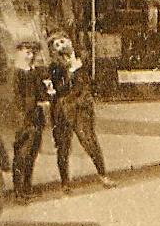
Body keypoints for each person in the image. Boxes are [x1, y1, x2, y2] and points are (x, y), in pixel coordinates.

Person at [47, 34, 114, 192]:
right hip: (64, 110)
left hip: (82, 110)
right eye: (56, 45)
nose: (61, 47)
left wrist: (79, 70)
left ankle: (103, 175)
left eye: (62, 42)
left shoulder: (84, 60)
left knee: (90, 141)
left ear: (69, 41)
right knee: (63, 146)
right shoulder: (55, 67)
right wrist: (71, 71)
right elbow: (59, 90)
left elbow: (92, 83)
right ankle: (65, 183)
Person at [9, 39, 52, 201]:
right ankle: (19, 191)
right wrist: (35, 104)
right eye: (27, 52)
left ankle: (27, 187)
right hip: (24, 120)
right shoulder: (17, 72)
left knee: (32, 153)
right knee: (22, 155)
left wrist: (47, 96)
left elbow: (41, 92)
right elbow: (17, 99)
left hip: (36, 118)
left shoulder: (33, 72)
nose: (31, 56)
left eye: (33, 53)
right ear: (19, 53)